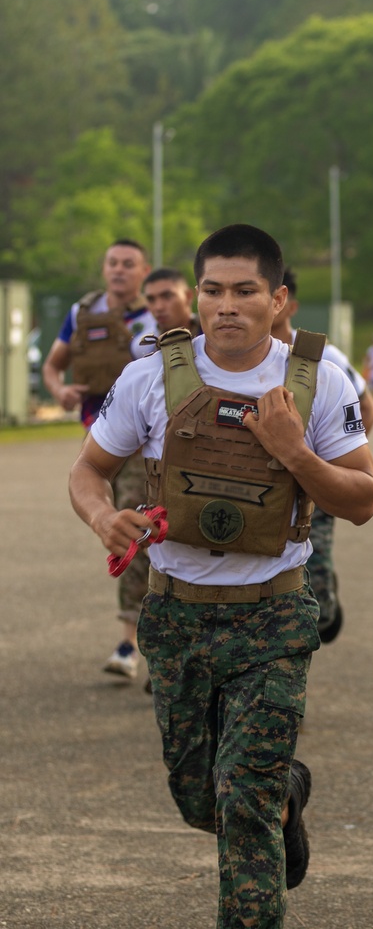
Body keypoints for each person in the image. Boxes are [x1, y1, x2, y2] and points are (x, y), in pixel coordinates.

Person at [68, 224, 373, 926]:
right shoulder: (150, 374)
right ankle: (289, 794)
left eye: (245, 291)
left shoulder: (318, 380)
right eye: (213, 290)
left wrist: (294, 453)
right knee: (198, 797)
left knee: (244, 797)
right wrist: (101, 519)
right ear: (195, 297)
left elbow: (362, 500)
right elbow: (90, 471)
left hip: (272, 615)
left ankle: (270, 804)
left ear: (279, 299)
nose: (227, 305)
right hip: (176, 615)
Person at [41, 238, 157, 681]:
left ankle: (134, 642)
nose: (119, 270)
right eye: (113, 263)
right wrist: (59, 390)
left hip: (143, 443)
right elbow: (54, 365)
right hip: (100, 436)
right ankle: (135, 641)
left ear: (142, 271)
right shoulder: (80, 313)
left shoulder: (154, 319)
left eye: (129, 264)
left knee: (134, 525)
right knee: (123, 527)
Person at [271, 268, 373, 643]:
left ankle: (323, 599)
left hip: (313, 481)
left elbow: (369, 409)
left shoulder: (322, 357)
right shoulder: (234, 357)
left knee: (319, 590)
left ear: (286, 302)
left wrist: (333, 458)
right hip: (267, 484)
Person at [132, 267, 200, 358]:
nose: (158, 307)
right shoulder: (142, 346)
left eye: (167, 296)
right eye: (151, 299)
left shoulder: (211, 335)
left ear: (188, 296)